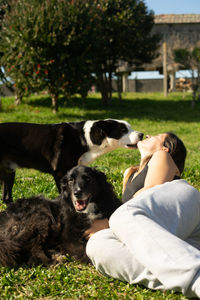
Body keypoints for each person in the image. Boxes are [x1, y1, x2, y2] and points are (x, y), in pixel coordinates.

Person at [85, 132, 200, 298]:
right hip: (172, 241)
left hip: (185, 211)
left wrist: (112, 219)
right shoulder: (130, 173)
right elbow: (127, 215)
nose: (148, 135)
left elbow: (152, 188)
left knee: (122, 216)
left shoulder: (161, 156)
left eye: (157, 136)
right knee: (97, 244)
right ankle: (179, 275)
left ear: (165, 148)